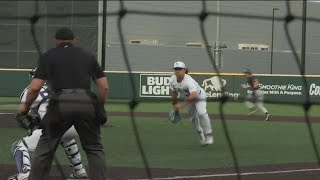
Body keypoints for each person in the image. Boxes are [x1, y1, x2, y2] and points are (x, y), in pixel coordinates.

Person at [16, 27, 108, 180]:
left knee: (44, 149)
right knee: (94, 149)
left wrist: (24, 110)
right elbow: (104, 86)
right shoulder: (87, 55)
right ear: (74, 41)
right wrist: (100, 107)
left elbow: (34, 88)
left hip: (60, 103)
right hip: (86, 101)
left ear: (56, 42)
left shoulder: (48, 56)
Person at [8, 69, 87, 180]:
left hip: (54, 126)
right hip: (75, 125)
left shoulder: (29, 90)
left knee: (19, 146)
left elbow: (26, 115)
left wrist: (29, 122)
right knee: (66, 138)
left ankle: (24, 173)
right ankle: (79, 170)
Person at [169, 61, 213, 146]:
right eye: (175, 69)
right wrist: (174, 104)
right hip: (189, 98)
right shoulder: (172, 80)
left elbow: (194, 95)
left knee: (202, 113)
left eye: (180, 69)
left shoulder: (188, 80)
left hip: (199, 96)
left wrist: (181, 105)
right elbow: (174, 92)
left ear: (184, 70)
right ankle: (201, 136)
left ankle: (209, 135)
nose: (177, 71)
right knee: (193, 118)